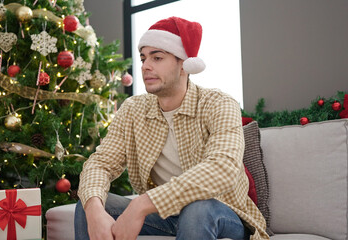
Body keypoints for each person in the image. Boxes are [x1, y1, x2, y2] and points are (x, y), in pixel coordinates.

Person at [75, 16, 269, 240]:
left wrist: (142, 205)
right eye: (143, 58)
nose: (145, 66)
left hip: (223, 213)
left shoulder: (219, 103)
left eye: (157, 57)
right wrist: (94, 210)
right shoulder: (132, 110)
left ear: (184, 64)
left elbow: (222, 168)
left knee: (198, 209)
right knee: (91, 202)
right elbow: (100, 163)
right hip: (165, 215)